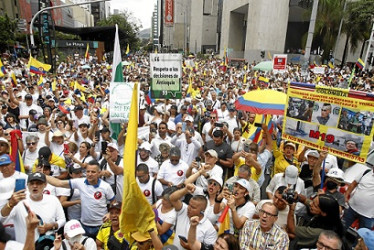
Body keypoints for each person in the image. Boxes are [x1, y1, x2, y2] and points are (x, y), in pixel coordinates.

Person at [44, 160, 115, 239]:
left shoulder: (106, 186)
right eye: (88, 171)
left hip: (101, 225)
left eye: (93, 172)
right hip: (84, 226)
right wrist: (42, 175)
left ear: (99, 173)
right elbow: (58, 183)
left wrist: (109, 213)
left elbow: (113, 202)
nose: (90, 174)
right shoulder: (80, 182)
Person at [0, 172, 66, 244]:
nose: (35, 186)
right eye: (32, 183)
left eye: (38, 183)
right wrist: (10, 204)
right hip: (24, 247)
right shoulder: (18, 202)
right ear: (27, 185)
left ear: (45, 185)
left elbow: (62, 219)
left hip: (47, 245)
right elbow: (2, 219)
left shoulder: (53, 199)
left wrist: (51, 226)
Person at [169, 184, 217, 249]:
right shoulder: (184, 210)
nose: (189, 208)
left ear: (202, 210)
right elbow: (172, 198)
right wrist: (186, 190)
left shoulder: (209, 229)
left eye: (193, 207)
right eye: (189, 204)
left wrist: (192, 247)